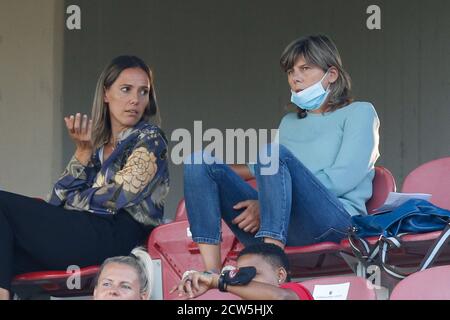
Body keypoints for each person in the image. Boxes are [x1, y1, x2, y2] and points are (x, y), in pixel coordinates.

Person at [183, 34, 380, 272]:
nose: (295, 77)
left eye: (305, 68)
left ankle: (270, 263)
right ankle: (211, 273)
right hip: (282, 222)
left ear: (332, 75)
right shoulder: (289, 122)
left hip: (334, 223)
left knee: (273, 154)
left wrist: (265, 205)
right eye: (290, 71)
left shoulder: (360, 113)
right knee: (198, 161)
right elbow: (262, 170)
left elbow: (342, 179)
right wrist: (214, 171)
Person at [0, 55, 169, 300]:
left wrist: (75, 197)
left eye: (143, 92)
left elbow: (117, 197)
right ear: (105, 94)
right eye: (126, 89)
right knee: (10, 250)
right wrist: (82, 152)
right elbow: (55, 200)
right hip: (84, 233)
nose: (135, 99)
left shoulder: (150, 138)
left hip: (118, 237)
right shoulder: (96, 144)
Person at [172, 243, 313, 300]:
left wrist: (219, 281)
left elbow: (282, 298)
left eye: (253, 274)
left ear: (280, 275)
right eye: (240, 275)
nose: (244, 281)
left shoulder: (294, 290)